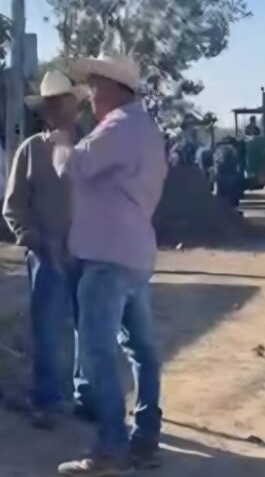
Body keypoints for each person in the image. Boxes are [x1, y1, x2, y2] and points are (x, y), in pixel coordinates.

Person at [50, 53, 167, 475]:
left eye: (95, 85)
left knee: (98, 354)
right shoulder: (146, 130)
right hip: (134, 256)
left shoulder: (118, 126)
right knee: (142, 350)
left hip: (107, 258)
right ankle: (145, 438)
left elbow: (73, 167)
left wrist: (62, 137)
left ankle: (111, 448)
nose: (91, 94)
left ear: (115, 87)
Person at [3, 71, 90, 430]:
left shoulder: (94, 146)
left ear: (75, 104)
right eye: (49, 104)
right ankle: (46, 401)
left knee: (92, 331)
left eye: (62, 101)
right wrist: (38, 241)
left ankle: (89, 399)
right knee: (48, 331)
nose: (56, 109)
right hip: (46, 256)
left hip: (91, 253)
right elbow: (13, 208)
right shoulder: (31, 150)